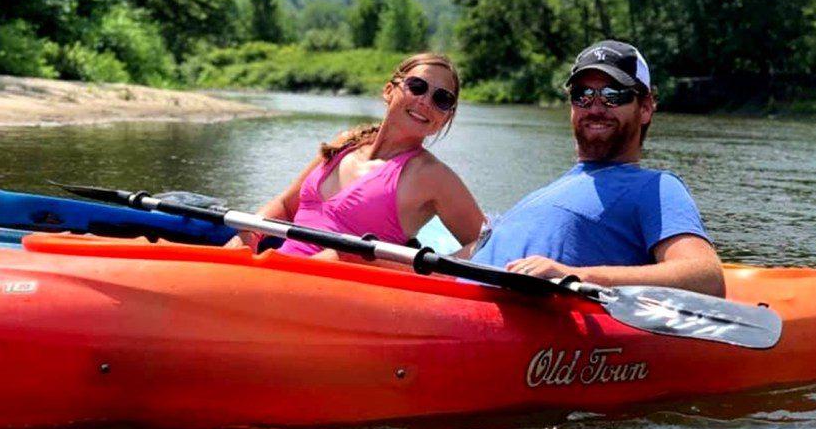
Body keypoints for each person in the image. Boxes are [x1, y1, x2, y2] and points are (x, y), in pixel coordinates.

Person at [468, 40, 725, 296]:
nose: (596, 108)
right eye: (583, 95)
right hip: (452, 293)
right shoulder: (553, 189)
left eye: (613, 96)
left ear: (645, 108)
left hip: (499, 315)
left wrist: (573, 275)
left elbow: (706, 277)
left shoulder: (656, 187)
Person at [228, 52, 485, 257]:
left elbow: (488, 243)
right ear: (389, 91)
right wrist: (249, 234)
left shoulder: (431, 176)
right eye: (417, 86)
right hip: (276, 274)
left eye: (442, 99)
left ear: (445, 118)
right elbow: (285, 206)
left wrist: (423, 268)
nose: (425, 101)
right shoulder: (347, 143)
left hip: (336, 295)